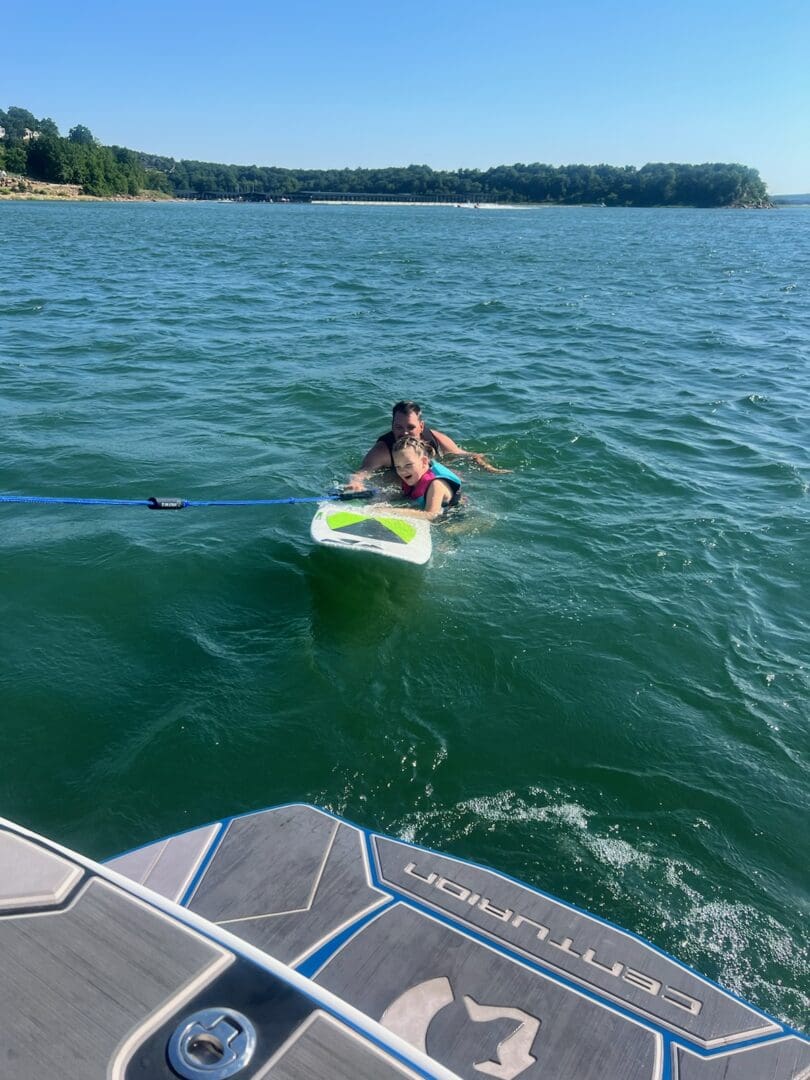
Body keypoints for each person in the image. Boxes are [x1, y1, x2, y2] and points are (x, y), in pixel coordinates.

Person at [346, 400, 508, 490]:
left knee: (457, 477)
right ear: (392, 426)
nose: (404, 433)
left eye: (411, 427)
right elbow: (362, 472)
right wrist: (356, 483)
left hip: (429, 475)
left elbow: (467, 455)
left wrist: (490, 470)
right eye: (398, 427)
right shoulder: (383, 450)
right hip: (399, 480)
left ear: (421, 426)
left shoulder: (434, 438)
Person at [384, 436, 462, 521]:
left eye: (408, 465)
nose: (402, 471)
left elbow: (431, 515)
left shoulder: (436, 484)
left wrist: (389, 512)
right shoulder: (411, 475)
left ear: (424, 462)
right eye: (398, 467)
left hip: (455, 520)